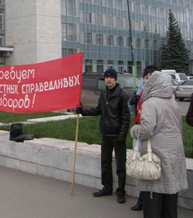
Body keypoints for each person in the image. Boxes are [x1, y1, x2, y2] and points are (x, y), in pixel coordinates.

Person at [130, 71, 188, 218]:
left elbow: (146, 130)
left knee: (153, 198)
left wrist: (134, 130)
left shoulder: (150, 103)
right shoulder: (173, 102)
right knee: (170, 197)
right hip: (174, 154)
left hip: (156, 155)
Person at [76, 68, 130, 203]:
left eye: (111, 77)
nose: (108, 79)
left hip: (117, 135)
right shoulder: (104, 93)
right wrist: (83, 111)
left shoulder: (122, 95)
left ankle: (121, 191)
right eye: (106, 77)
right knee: (105, 163)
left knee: (120, 165)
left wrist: (122, 135)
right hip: (105, 134)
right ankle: (107, 187)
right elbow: (98, 110)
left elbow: (125, 118)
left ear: (115, 79)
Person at [127, 65, 160, 211]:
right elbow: (134, 111)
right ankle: (141, 199)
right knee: (140, 167)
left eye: (150, 77)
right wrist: (132, 102)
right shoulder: (142, 94)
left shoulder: (156, 97)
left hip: (150, 138)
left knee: (149, 168)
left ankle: (147, 201)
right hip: (139, 135)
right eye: (145, 77)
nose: (147, 80)